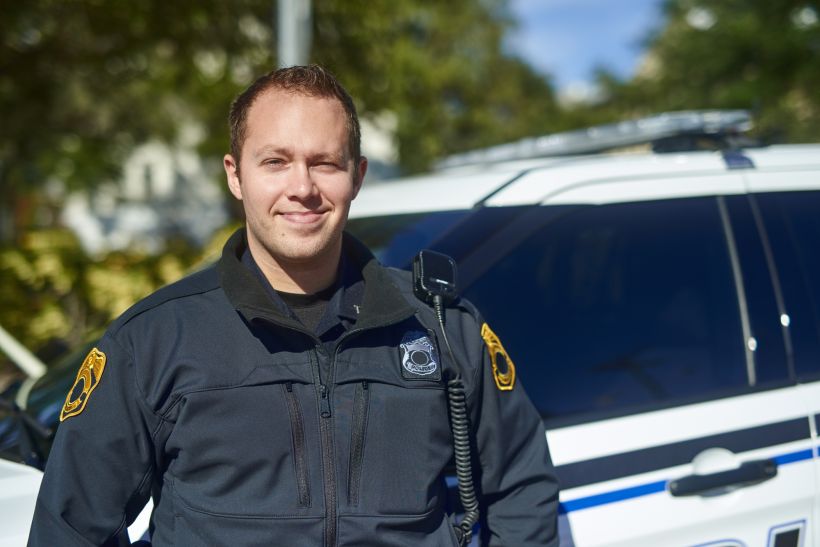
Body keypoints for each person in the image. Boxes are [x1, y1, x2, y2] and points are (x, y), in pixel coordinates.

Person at [28, 65, 559, 546]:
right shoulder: (153, 340)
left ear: (357, 176)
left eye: (324, 163)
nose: (302, 187)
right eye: (275, 162)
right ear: (236, 175)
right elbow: (70, 528)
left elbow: (522, 488)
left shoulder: (441, 326)